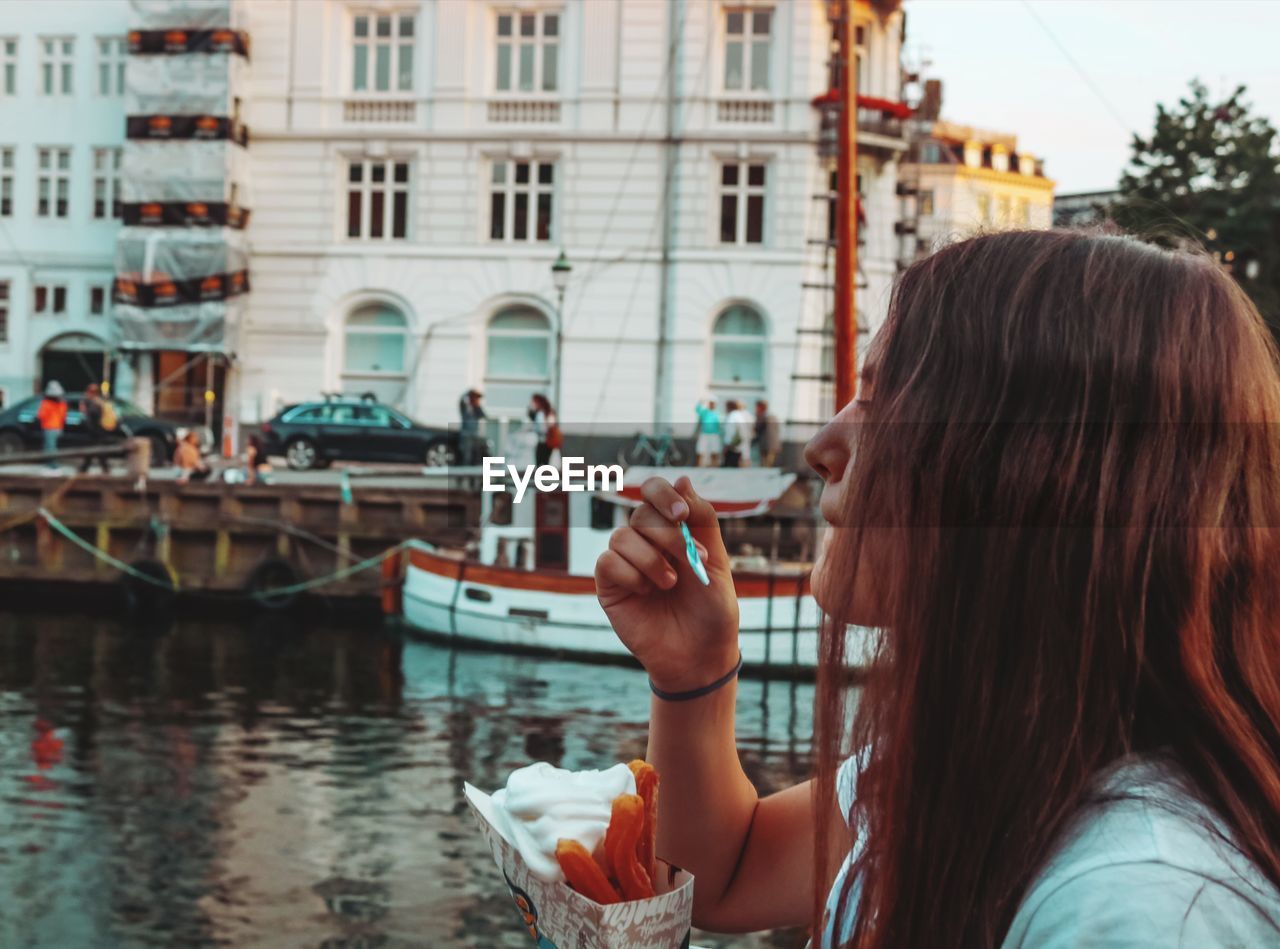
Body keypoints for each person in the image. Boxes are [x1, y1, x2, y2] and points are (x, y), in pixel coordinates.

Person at [595, 231, 1280, 947]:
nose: (823, 445)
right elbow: (726, 873)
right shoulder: (984, 760)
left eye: (881, 402)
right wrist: (695, 673)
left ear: (1029, 468)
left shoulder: (1136, 905)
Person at [78, 384, 118, 475]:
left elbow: (93, 419)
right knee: (96, 452)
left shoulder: (94, 404)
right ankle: (86, 469)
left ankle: (85, 470)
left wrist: (84, 411)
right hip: (100, 432)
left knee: (97, 451)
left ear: (90, 393)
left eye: (87, 392)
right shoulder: (100, 402)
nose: (86, 394)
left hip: (96, 433)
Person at [36, 381, 67, 472]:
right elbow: (63, 416)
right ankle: (51, 464)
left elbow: (41, 415)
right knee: (52, 447)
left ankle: (52, 465)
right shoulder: (62, 404)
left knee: (49, 447)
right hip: (58, 428)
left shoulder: (46, 404)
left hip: (49, 428)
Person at [528, 393, 560, 467]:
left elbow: (542, 428)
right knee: (546, 465)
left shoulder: (541, 414)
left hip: (544, 442)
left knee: (541, 464)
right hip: (549, 443)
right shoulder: (549, 412)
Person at [722, 400, 754, 468]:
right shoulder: (740, 415)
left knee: (734, 463)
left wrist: (727, 443)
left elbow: (730, 431)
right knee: (744, 457)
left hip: (734, 443)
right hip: (742, 441)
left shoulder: (733, 415)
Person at [459, 389, 487, 466]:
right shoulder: (466, 408)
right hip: (466, 436)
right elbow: (461, 401)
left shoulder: (477, 409)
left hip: (475, 436)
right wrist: (467, 393)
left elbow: (484, 416)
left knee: (476, 456)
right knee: (466, 456)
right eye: (475, 398)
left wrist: (477, 406)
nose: (477, 400)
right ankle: (464, 473)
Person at [694, 396, 722, 467]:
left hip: (714, 434)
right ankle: (699, 465)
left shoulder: (718, 413)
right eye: (711, 403)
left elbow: (720, 425)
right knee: (700, 449)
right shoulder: (704, 412)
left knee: (715, 450)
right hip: (704, 434)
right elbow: (697, 409)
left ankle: (714, 465)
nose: (712, 405)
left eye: (713, 403)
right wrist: (701, 401)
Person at [754, 399, 781, 467]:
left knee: (765, 463)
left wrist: (757, 416)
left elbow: (757, 428)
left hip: (765, 443)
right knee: (770, 461)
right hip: (774, 442)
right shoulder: (773, 416)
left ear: (760, 407)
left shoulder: (762, 416)